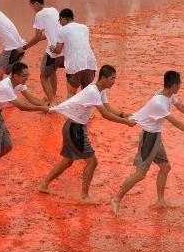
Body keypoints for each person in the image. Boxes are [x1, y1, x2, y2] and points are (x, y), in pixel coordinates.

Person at [37, 64, 136, 202]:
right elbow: (105, 114)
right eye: (113, 78)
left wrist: (123, 114)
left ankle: (44, 184)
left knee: (67, 161)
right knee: (92, 162)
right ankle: (84, 196)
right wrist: (126, 123)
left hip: (72, 127)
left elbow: (108, 108)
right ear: (104, 78)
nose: (114, 81)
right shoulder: (93, 92)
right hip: (75, 129)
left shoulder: (100, 90)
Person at [111, 70, 184, 214]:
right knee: (140, 174)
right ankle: (116, 199)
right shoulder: (159, 102)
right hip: (149, 138)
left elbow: (179, 105)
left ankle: (160, 201)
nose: (180, 86)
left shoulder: (168, 94)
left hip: (156, 137)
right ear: (174, 85)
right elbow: (176, 123)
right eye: (179, 84)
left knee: (165, 167)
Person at [0, 61, 49, 190]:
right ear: (15, 76)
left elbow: (31, 98)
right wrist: (42, 108)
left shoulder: (19, 84)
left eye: (27, 75)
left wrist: (47, 106)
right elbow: (21, 107)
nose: (27, 78)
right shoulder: (6, 86)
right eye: (24, 76)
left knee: (7, 146)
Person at [21, 0, 63, 106]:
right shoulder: (53, 10)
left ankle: (52, 103)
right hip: (62, 47)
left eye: (31, 5)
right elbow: (50, 32)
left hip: (53, 50)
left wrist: (24, 47)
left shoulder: (40, 14)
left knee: (43, 76)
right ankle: (52, 97)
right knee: (52, 72)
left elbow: (37, 37)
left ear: (36, 3)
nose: (31, 8)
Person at [54, 8, 97, 98]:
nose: (59, 23)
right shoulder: (84, 27)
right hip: (89, 63)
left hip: (74, 65)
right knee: (87, 94)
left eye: (59, 20)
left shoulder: (62, 30)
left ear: (63, 18)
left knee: (71, 94)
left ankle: (71, 112)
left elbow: (58, 50)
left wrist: (52, 48)